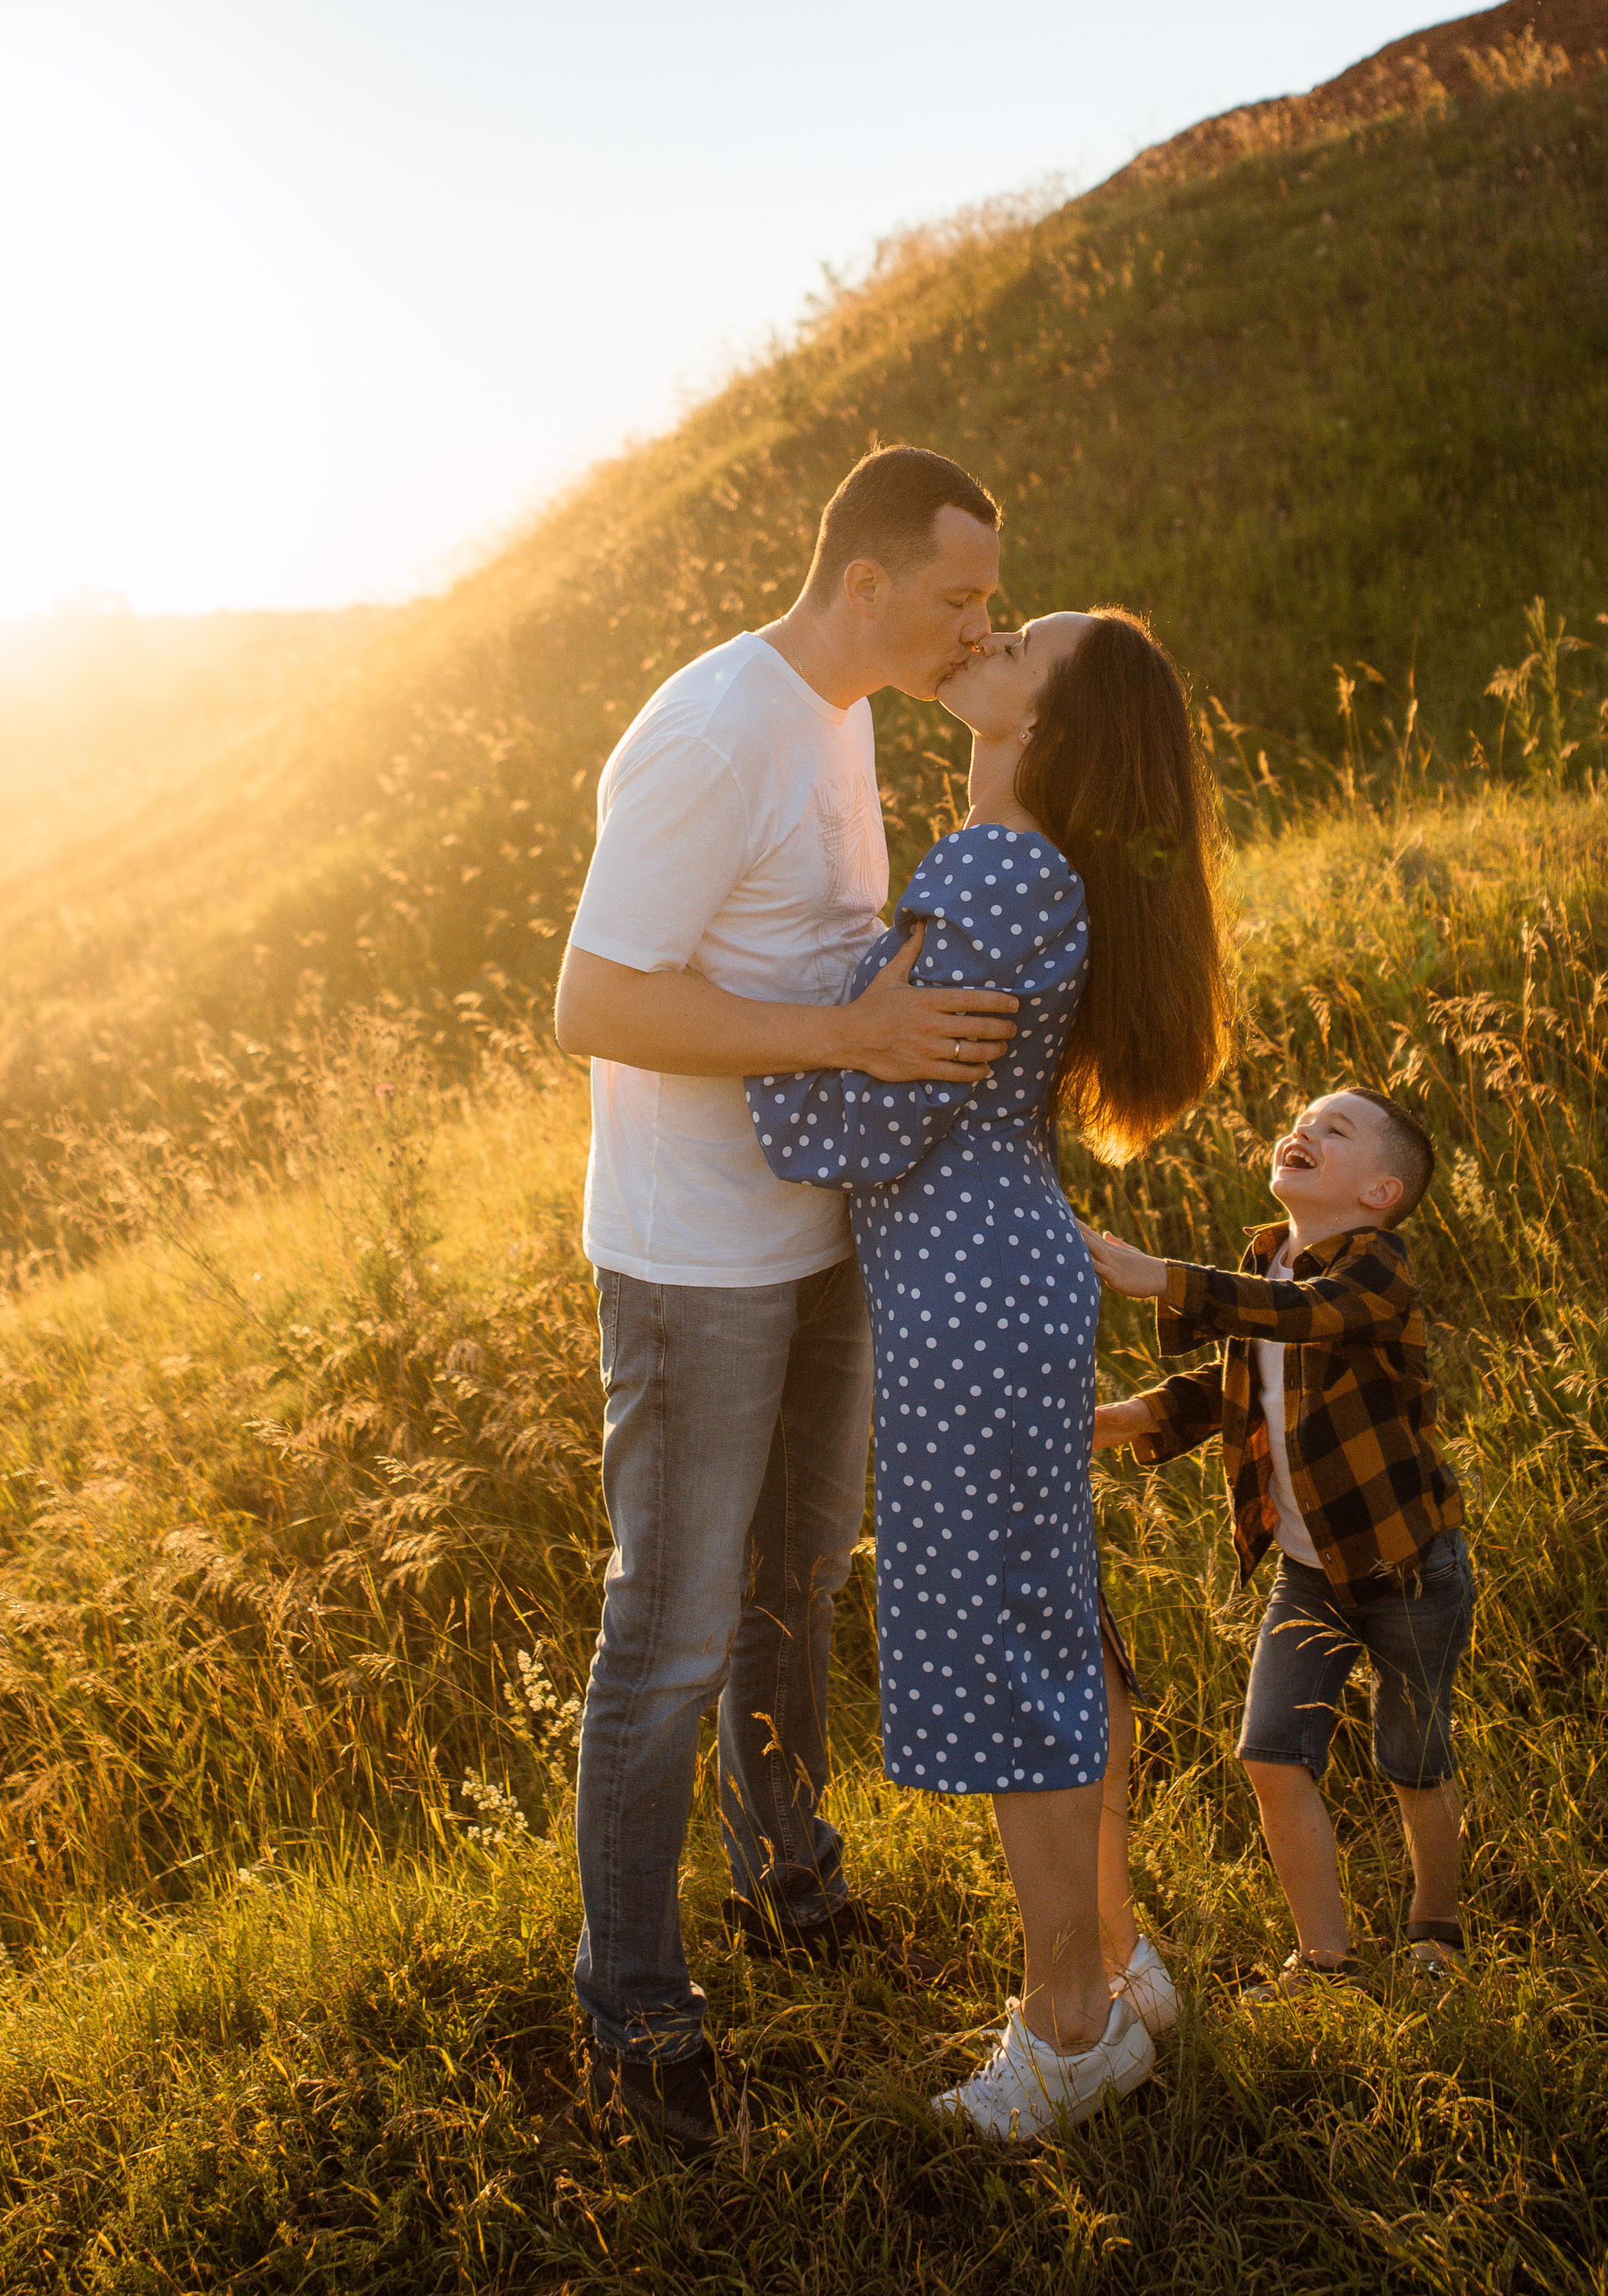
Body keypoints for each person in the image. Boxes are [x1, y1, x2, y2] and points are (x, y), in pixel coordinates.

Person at [555, 444, 1026, 2162]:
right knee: (667, 1636)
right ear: (863, 585)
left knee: (796, 1590)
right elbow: (591, 998)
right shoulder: (713, 731)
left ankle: (786, 1870)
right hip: (693, 1264)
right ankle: (636, 2006)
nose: (983, 623)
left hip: (822, 1229)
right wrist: (846, 1037)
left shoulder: (843, 711)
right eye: (961, 597)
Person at [748, 606, 1231, 2140]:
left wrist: (756, 1042)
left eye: (1020, 637)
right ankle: (1119, 1954)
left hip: (965, 1298)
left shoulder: (988, 870)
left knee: (1021, 1669)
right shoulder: (1028, 873)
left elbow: (865, 1121)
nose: (988, 634)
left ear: (1049, 726)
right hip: (1006, 1274)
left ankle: (1070, 2027)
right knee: (1057, 1632)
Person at [1087, 1088, 1473, 1993]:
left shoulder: (1376, 1272)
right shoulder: (1268, 1259)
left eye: (1334, 1130)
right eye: (1301, 1120)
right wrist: (1116, 1419)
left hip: (1404, 1564)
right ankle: (1324, 1960)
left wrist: (1163, 1277)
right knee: (1269, 1757)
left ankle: (1435, 1934)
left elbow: (1299, 1317)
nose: (1302, 1132)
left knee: (1413, 1760)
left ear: (1381, 1191)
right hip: (1308, 1574)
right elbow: (1237, 1380)